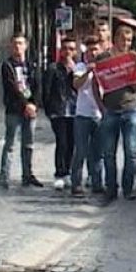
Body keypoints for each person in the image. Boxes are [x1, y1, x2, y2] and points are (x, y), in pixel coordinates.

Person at [94, 25, 136, 201]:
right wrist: (100, 106)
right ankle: (111, 188)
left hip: (131, 108)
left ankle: (128, 188)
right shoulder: (103, 58)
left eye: (129, 40)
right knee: (108, 153)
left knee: (131, 153)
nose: (126, 43)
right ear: (115, 39)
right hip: (111, 110)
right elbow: (96, 83)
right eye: (123, 39)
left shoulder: (133, 57)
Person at [0, 33, 42, 189]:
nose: (18, 46)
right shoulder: (7, 65)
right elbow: (12, 88)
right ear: (11, 46)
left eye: (20, 43)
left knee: (28, 144)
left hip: (30, 110)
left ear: (26, 45)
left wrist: (34, 105)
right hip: (14, 110)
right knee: (10, 144)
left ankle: (27, 175)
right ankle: (4, 177)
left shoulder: (32, 65)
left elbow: (37, 86)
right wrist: (26, 105)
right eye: (15, 43)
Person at [69, 36, 105, 196]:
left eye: (96, 49)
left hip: (99, 114)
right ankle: (76, 183)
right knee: (81, 151)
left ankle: (97, 183)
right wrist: (88, 71)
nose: (93, 53)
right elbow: (76, 85)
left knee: (98, 152)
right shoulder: (80, 67)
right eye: (90, 50)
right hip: (82, 115)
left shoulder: (105, 67)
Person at [43, 37, 78, 191]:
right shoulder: (53, 68)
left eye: (71, 49)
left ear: (75, 51)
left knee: (71, 143)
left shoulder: (78, 68)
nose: (68, 52)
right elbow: (46, 90)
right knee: (61, 142)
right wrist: (49, 110)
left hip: (75, 110)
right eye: (65, 49)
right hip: (58, 110)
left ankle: (68, 172)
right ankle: (59, 173)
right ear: (60, 51)